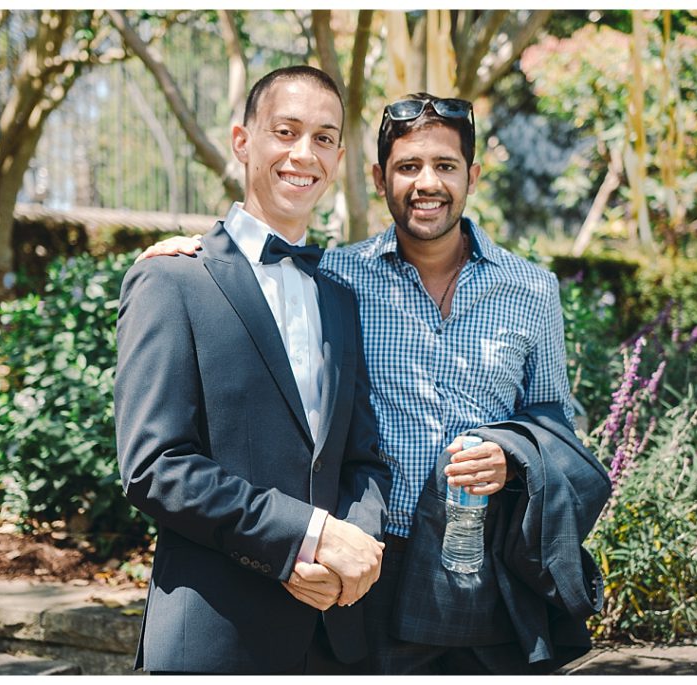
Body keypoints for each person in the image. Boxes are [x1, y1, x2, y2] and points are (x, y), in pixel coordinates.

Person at [140, 93, 610, 674]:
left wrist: (511, 458)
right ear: (378, 177)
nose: (427, 183)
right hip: (371, 565)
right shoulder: (336, 279)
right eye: (408, 167)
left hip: (484, 562)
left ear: (473, 176)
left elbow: (554, 419)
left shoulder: (533, 289)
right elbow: (256, 279)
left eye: (445, 166)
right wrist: (187, 256)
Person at [113, 65, 391, 675]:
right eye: (285, 131)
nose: (303, 154)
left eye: (323, 138)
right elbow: (153, 467)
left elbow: (363, 458)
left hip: (332, 640)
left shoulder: (340, 300)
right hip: (214, 639)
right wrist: (304, 536)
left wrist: (353, 552)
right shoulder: (172, 280)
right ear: (243, 141)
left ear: (340, 156)